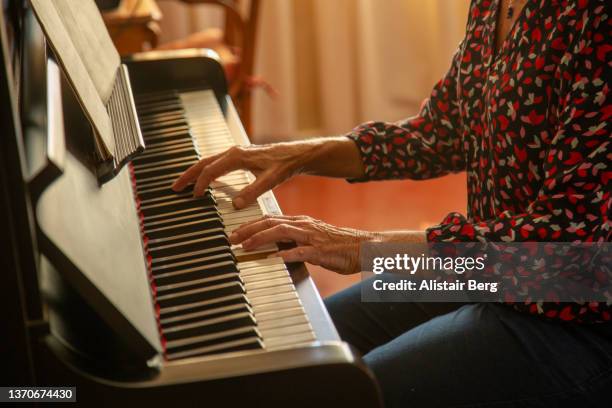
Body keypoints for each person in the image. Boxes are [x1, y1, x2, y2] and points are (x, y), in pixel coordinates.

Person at [173, 0, 612, 406]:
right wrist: (300, 155)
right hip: (480, 273)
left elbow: (571, 252)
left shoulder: (594, 19)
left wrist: (365, 246)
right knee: (302, 353)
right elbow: (441, 132)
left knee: (343, 391)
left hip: (577, 314)